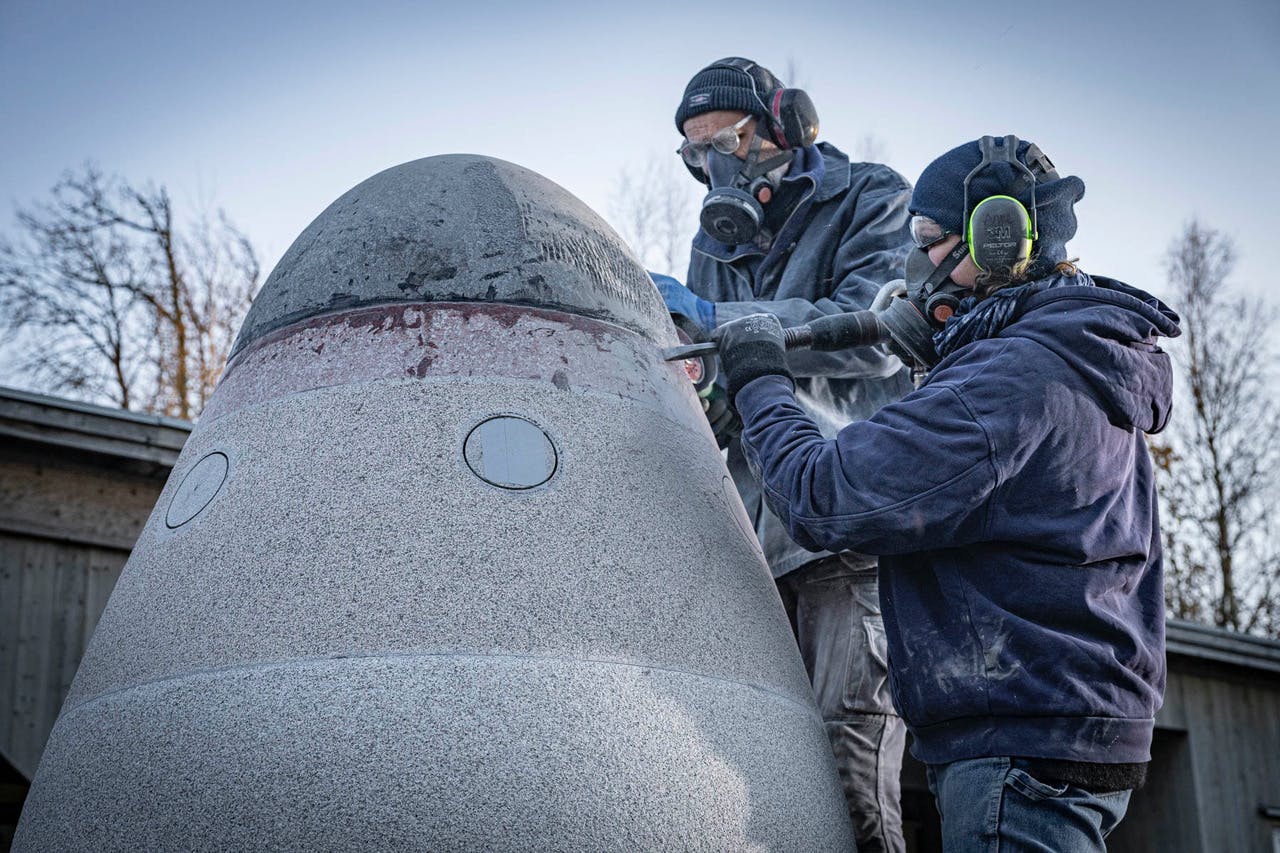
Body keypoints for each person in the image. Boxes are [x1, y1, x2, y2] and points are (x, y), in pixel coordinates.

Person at [710, 135, 1179, 851]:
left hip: (1020, 743)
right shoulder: (1074, 351)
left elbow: (822, 495)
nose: (916, 264)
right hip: (1061, 725)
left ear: (995, 241)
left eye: (929, 241)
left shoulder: (1009, 381)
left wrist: (761, 381)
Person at [653, 56, 914, 852]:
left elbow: (874, 334)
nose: (714, 167)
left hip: (847, 528)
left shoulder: (873, 197)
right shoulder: (716, 243)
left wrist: (727, 325)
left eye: (725, 143)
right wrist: (696, 385)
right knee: (753, 785)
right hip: (755, 551)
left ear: (784, 127)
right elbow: (736, 383)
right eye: (697, 155)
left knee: (850, 781)